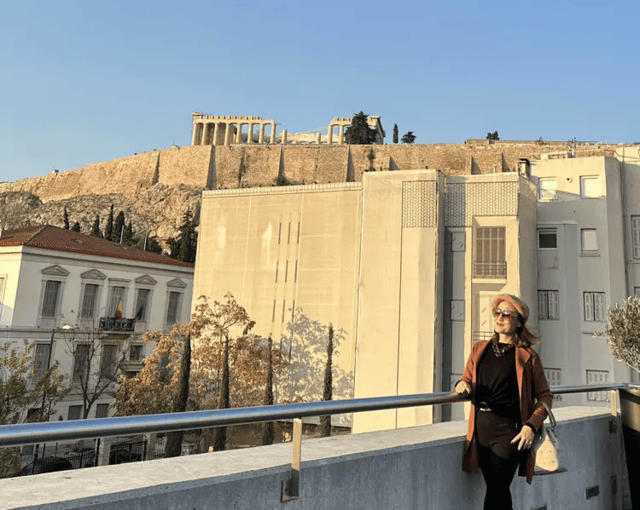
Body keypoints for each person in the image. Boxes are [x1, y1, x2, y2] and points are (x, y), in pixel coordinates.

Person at [455, 294, 552, 510]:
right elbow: (467, 378)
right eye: (497, 313)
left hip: (510, 432)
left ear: (519, 322)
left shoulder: (528, 356)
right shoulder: (480, 349)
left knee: (497, 489)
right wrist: (461, 384)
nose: (500, 318)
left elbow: (545, 397)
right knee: (496, 490)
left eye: (507, 314)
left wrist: (531, 425)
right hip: (481, 429)